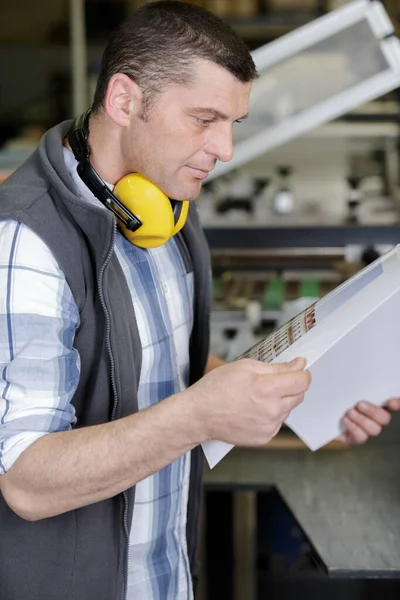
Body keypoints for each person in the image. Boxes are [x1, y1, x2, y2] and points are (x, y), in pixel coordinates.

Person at [0, 2, 398, 599]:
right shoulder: (27, 242)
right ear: (124, 100)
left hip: (165, 578)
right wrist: (202, 415)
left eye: (233, 122)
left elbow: (167, 373)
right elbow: (26, 481)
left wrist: (296, 404)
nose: (227, 148)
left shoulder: (165, 213)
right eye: (205, 118)